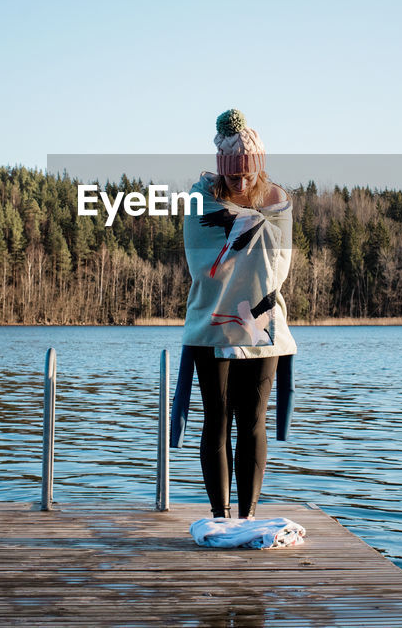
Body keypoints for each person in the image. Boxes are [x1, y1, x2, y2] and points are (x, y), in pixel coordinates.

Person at [177, 108, 297, 520]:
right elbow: (204, 265)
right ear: (220, 171)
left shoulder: (277, 201)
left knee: (252, 424)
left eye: (249, 174)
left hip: (263, 326)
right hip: (213, 325)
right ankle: (219, 516)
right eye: (232, 176)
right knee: (216, 420)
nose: (242, 182)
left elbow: (278, 269)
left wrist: (242, 229)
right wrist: (253, 228)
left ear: (260, 170)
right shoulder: (200, 200)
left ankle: (246, 518)